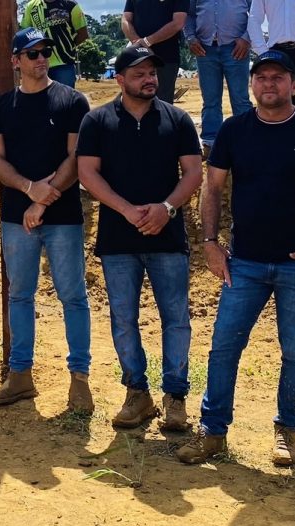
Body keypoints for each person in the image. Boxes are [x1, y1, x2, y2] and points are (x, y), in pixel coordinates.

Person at [178, 51, 295, 466]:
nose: (269, 84)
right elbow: (212, 189)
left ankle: (288, 432)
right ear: (252, 84)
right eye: (261, 77)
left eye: (278, 77)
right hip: (245, 262)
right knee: (223, 347)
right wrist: (211, 242)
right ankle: (213, 431)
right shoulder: (235, 131)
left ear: (292, 84)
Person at [77, 45, 203, 429]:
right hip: (118, 237)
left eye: (152, 73)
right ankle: (137, 393)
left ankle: (176, 396)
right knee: (123, 319)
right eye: (139, 74)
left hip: (167, 236)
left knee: (176, 319)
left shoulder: (178, 120)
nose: (149, 79)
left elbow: (194, 173)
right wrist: (127, 210)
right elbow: (87, 173)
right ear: (119, 80)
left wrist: (166, 208)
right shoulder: (96, 122)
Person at [0, 29, 93, 409]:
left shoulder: (72, 101)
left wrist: (41, 201)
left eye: (45, 51)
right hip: (17, 216)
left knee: (73, 296)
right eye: (31, 53)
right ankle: (20, 375)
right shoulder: (1, 107)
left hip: (61, 216)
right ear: (15, 61)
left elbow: (76, 158)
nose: (41, 58)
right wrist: (29, 189)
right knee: (20, 296)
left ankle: (80, 378)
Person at [183, 0, 253, 154]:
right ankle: (210, 143)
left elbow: (256, 12)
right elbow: (189, 15)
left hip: (237, 47)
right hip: (204, 48)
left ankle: (247, 141)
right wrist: (190, 37)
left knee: (240, 98)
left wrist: (247, 38)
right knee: (210, 100)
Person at [121, 0, 187, 104]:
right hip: (137, 57)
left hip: (166, 57)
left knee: (163, 104)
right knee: (134, 101)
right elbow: (125, 19)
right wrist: (137, 42)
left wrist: (148, 41)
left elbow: (178, 23)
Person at [20, 0, 90, 88]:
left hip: (64, 63)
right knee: (39, 99)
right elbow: (26, 34)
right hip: (38, 63)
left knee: (64, 99)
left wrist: (68, 47)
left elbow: (83, 34)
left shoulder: (71, 5)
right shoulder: (31, 7)